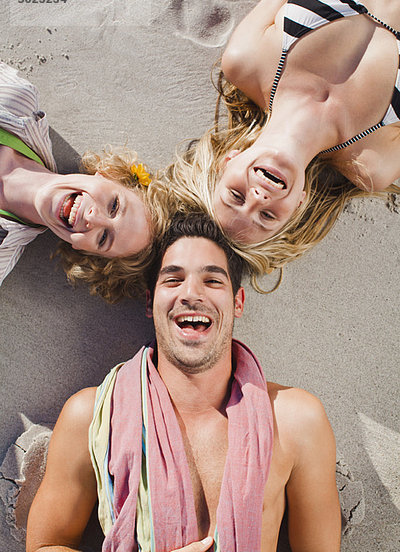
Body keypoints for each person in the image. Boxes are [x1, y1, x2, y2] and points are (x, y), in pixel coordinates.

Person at [26, 213, 341, 552]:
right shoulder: (90, 417)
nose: (191, 293)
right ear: (150, 302)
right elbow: (46, 545)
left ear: (238, 302)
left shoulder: (296, 421)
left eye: (213, 281)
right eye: (173, 280)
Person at [162, 0, 400, 284]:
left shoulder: (246, 62)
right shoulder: (373, 161)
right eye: (268, 216)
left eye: (236, 196)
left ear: (228, 162)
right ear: (298, 204)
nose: (258, 197)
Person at [0, 61, 170, 301]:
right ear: (108, 174)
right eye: (114, 205)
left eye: (103, 238)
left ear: (83, 249)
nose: (91, 217)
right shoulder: (16, 101)